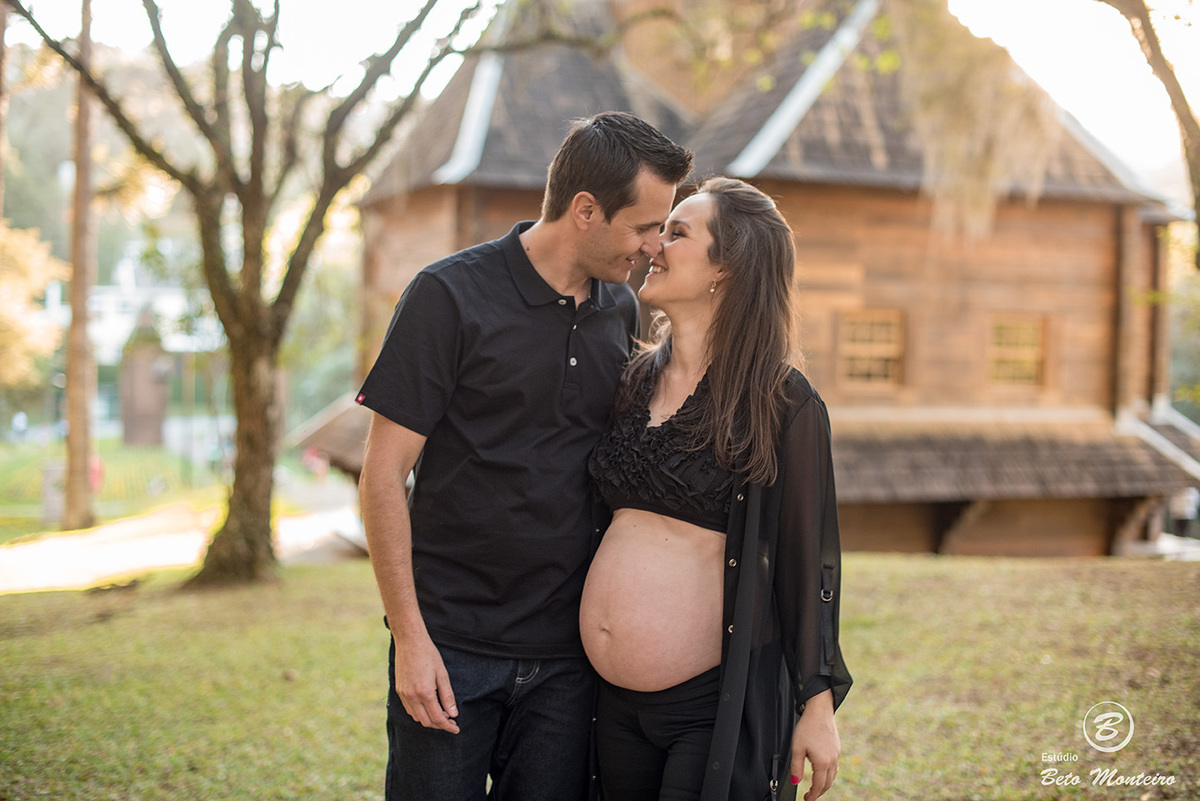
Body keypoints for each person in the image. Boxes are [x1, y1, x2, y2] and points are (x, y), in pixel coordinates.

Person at [356, 111, 694, 801]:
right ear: (585, 210)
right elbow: (382, 477)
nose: (655, 246)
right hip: (450, 649)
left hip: (565, 667)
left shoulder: (620, 312)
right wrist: (412, 641)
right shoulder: (446, 296)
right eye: (643, 227)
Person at [582, 176, 853, 801]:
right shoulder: (631, 381)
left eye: (676, 233)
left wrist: (818, 706)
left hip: (708, 709)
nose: (655, 244)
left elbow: (807, 562)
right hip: (607, 706)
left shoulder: (782, 401)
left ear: (725, 270)